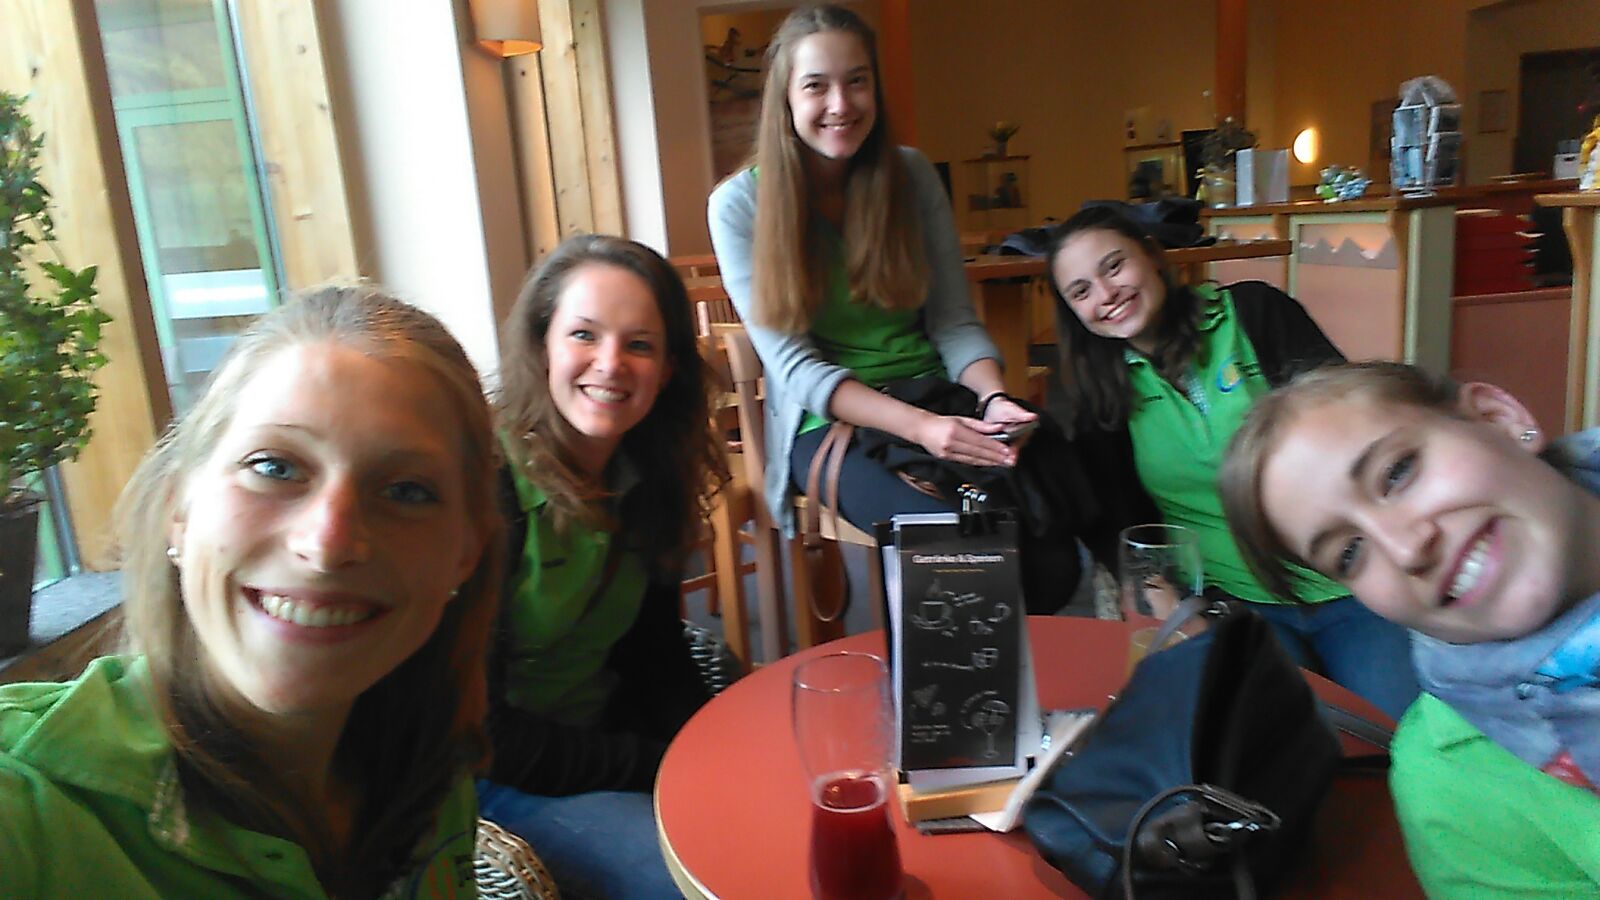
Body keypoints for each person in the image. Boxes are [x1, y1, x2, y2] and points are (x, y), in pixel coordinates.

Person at [0, 285, 502, 897]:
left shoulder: (429, 769)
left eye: (406, 491)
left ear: (465, 552)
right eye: (274, 467)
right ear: (179, 509)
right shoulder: (30, 806)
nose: (328, 544)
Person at [706, 4, 1088, 610]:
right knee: (958, 553)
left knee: (1051, 556)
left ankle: (1011, 673)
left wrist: (993, 399)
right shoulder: (737, 205)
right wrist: (922, 430)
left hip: (937, 398)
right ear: (785, 98)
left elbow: (954, 322)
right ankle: (928, 673)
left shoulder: (911, 176)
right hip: (829, 425)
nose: (841, 104)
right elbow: (798, 371)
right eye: (816, 85)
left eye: (857, 81)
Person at [1219, 361, 1600, 897]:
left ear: (1498, 418)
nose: (1406, 549)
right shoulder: (1452, 780)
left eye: (1397, 473)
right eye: (1350, 553)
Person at [1045, 204, 1419, 720]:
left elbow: (1345, 427)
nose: (1106, 294)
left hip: (1343, 576)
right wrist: (1171, 605)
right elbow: (1116, 523)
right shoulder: (1092, 394)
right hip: (1233, 603)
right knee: (1283, 740)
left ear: (1152, 256)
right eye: (1081, 291)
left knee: (1401, 732)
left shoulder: (1255, 313)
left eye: (1114, 266)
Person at [481, 234, 727, 898]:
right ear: (542, 345)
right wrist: (657, 765)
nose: (611, 363)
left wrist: (714, 755)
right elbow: (478, 729)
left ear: (668, 368)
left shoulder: (645, 475)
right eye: (584, 334)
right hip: (495, 778)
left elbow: (656, 655)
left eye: (639, 344)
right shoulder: (486, 489)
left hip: (604, 742)